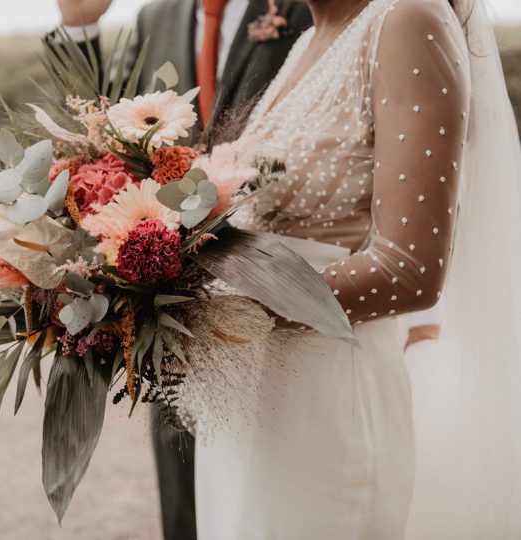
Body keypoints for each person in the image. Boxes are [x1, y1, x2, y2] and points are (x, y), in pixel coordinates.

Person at [184, 0, 521, 537]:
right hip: (251, 409)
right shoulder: (308, 40)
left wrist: (226, 314)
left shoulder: (408, 20)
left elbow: (409, 268)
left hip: (330, 403)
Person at [55, 2, 312, 539]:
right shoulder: (158, 16)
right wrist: (80, 28)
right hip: (169, 305)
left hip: (277, 298)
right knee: (184, 500)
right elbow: (103, 130)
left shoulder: (304, 8)